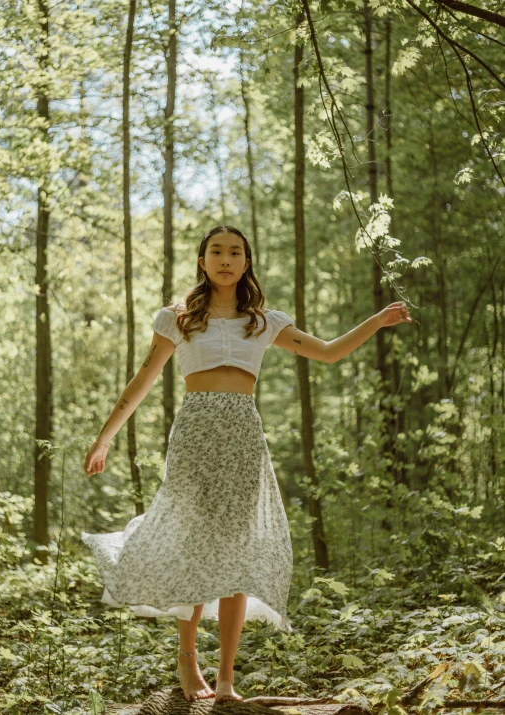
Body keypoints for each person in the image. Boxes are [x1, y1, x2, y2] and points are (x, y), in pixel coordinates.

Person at [81, 225, 411, 703]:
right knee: (195, 547)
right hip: (195, 435)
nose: (226, 259)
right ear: (202, 260)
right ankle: (187, 662)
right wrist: (103, 440)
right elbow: (142, 381)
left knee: (237, 554)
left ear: (246, 262)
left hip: (242, 438)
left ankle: (227, 679)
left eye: (235, 252)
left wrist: (376, 321)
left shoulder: (265, 322)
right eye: (216, 251)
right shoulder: (178, 318)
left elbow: (329, 353)